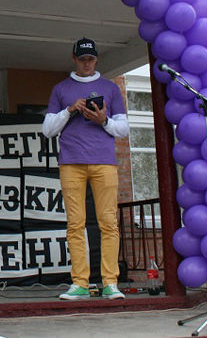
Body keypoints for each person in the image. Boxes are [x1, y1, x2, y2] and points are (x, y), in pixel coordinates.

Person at [42, 37, 130, 301]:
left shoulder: (111, 88)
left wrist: (103, 120)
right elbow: (47, 130)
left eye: (90, 59)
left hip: (104, 161)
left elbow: (123, 129)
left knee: (108, 223)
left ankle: (110, 282)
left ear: (96, 59)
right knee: (75, 224)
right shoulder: (61, 89)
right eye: (82, 59)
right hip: (71, 162)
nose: (86, 64)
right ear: (74, 59)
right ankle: (79, 282)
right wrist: (70, 110)